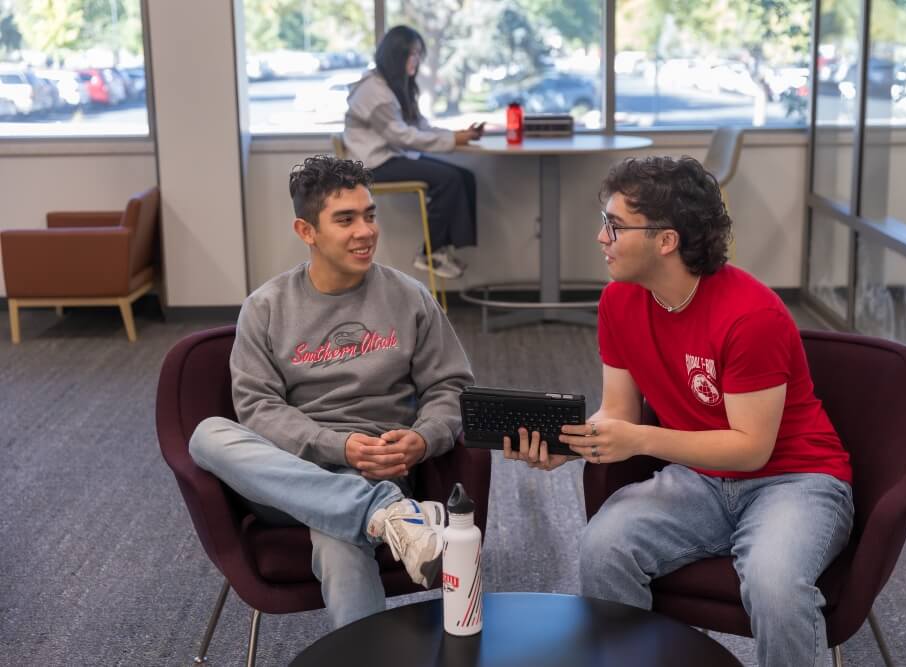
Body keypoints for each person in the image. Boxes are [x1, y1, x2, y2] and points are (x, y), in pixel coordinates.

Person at [504, 156, 854, 666]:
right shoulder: (619, 302)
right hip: (700, 478)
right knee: (603, 547)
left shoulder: (750, 315)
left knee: (774, 583)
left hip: (795, 480)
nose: (601, 238)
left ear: (666, 240)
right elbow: (619, 413)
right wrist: (569, 445)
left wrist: (641, 440)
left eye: (615, 226)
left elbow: (751, 450)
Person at [188, 155, 474, 630]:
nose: (365, 231)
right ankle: (386, 514)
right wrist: (335, 446)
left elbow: (452, 386)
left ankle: (374, 519)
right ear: (307, 231)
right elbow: (258, 408)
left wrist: (423, 439)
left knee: (340, 541)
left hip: (378, 468)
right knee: (207, 435)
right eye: (345, 220)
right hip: (287, 474)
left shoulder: (409, 297)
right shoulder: (266, 307)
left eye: (369, 215)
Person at [344, 25, 483, 280]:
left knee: (464, 176)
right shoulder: (374, 92)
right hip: (372, 164)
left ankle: (443, 248)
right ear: (396, 56)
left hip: (389, 156)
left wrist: (456, 134)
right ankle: (430, 252)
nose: (416, 61)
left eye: (419, 54)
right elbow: (404, 137)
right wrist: (453, 140)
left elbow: (419, 126)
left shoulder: (396, 86)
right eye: (412, 54)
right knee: (449, 179)